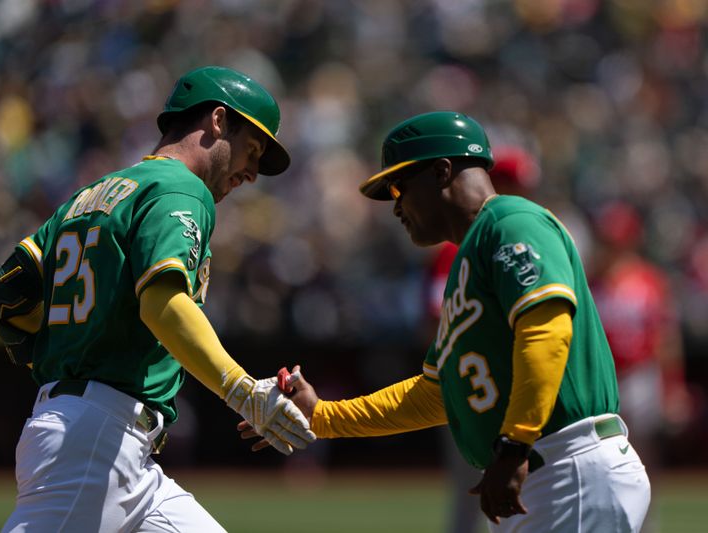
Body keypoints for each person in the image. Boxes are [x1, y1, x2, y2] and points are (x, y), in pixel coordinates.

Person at [243, 111, 651, 532]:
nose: (396, 206)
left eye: (399, 187)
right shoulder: (465, 264)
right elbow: (437, 393)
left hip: (568, 465)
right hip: (540, 470)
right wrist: (325, 416)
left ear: (442, 171)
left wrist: (514, 444)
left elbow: (546, 330)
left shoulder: (511, 221)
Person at [0, 65, 316, 532]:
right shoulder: (182, 187)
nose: (252, 172)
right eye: (250, 149)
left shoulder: (91, 194)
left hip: (103, 437)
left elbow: (4, 297)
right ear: (218, 121)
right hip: (95, 440)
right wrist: (241, 390)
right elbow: (162, 303)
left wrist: (68, 356)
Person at [423, 146, 540, 533]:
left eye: (518, 185)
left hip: (516, 387)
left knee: (526, 497)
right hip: (472, 387)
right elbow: (436, 321)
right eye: (507, 183)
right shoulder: (454, 250)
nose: (513, 192)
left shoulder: (523, 234)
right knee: (470, 493)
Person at [588, 201, 692, 532]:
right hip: (602, 380)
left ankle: (646, 523)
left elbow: (665, 337)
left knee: (643, 455)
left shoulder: (649, 280)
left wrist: (673, 387)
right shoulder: (590, 282)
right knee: (598, 458)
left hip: (640, 376)